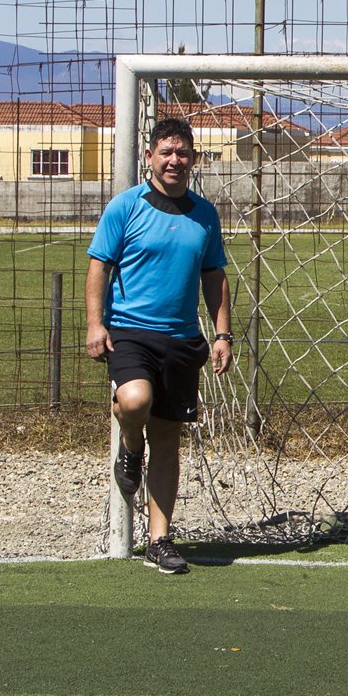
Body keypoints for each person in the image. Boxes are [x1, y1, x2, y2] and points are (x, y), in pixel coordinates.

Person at [85, 118, 233, 574]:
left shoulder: (204, 214)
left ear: (193, 159)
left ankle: (159, 539)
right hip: (129, 332)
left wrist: (222, 333)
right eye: (166, 151)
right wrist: (95, 324)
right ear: (149, 157)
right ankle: (130, 446)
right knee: (135, 400)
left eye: (183, 153)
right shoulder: (125, 207)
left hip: (182, 339)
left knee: (168, 440)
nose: (175, 160)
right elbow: (98, 267)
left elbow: (214, 277)